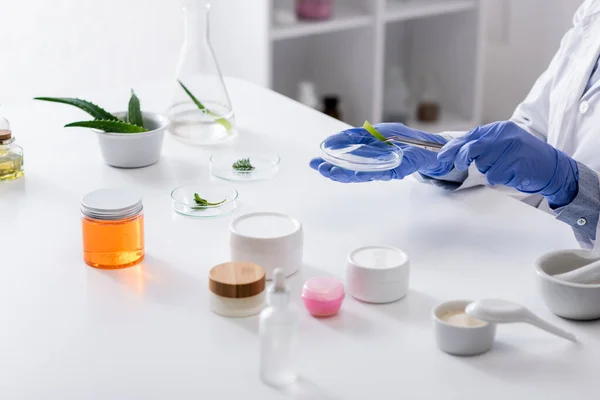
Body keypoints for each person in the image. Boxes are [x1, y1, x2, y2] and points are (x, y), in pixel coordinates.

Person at [310, 0, 600, 249]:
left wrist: (575, 188)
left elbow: (549, 165)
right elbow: (535, 131)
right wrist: (445, 155)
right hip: (533, 247)